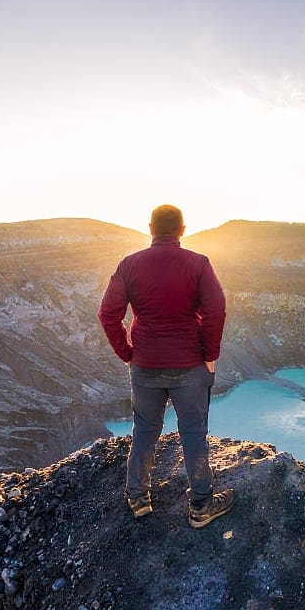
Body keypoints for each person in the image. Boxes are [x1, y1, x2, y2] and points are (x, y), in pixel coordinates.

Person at [98, 204, 233, 528]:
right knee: (193, 432)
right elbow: (216, 310)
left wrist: (127, 352)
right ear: (183, 230)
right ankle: (201, 506)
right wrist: (209, 353)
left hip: (145, 363)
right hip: (189, 364)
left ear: (150, 228)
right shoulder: (198, 264)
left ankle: (138, 498)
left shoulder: (129, 265)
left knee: (145, 429)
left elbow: (108, 313)